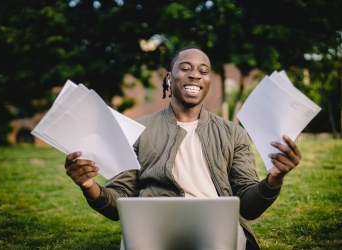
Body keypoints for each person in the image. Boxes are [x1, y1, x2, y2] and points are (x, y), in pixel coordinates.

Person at [64, 46, 301, 249]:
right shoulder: (137, 130)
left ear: (208, 82)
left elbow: (248, 207)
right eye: (185, 68)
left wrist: (275, 179)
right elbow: (118, 204)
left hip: (216, 233)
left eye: (203, 71)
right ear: (169, 78)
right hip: (152, 229)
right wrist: (88, 185)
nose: (195, 75)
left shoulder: (233, 133)